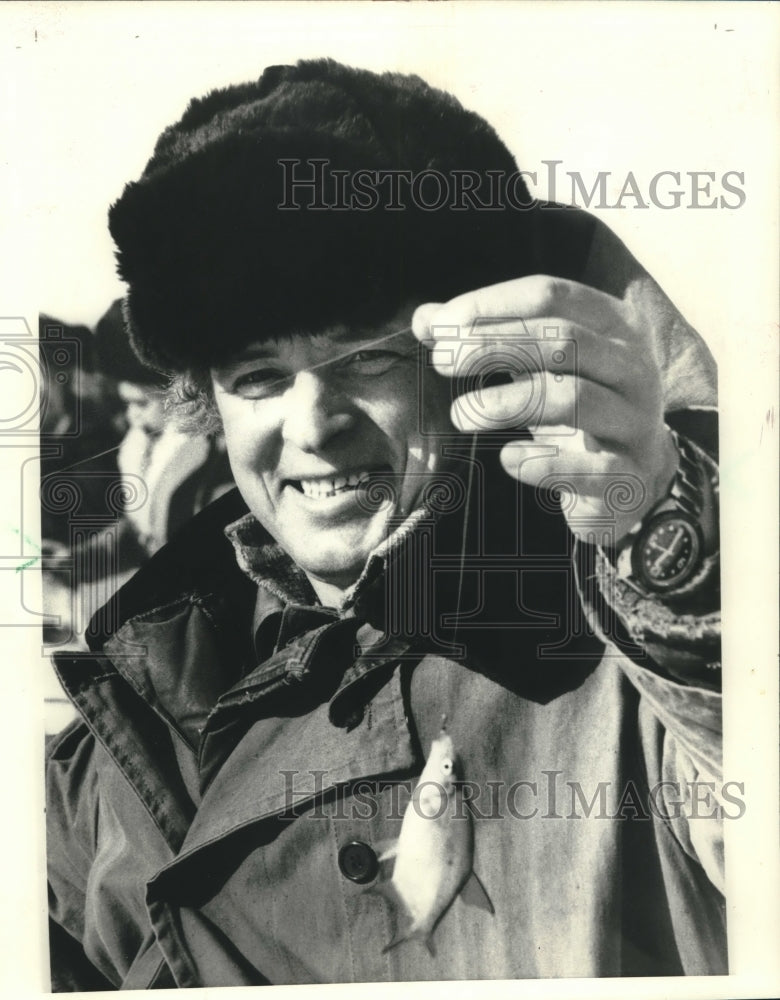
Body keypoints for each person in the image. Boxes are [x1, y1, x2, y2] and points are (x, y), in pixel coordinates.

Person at [45, 59, 723, 990]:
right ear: (204, 403)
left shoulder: (621, 666)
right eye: (259, 377)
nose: (312, 425)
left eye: (367, 360)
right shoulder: (125, 708)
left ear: (475, 371)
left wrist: (679, 545)